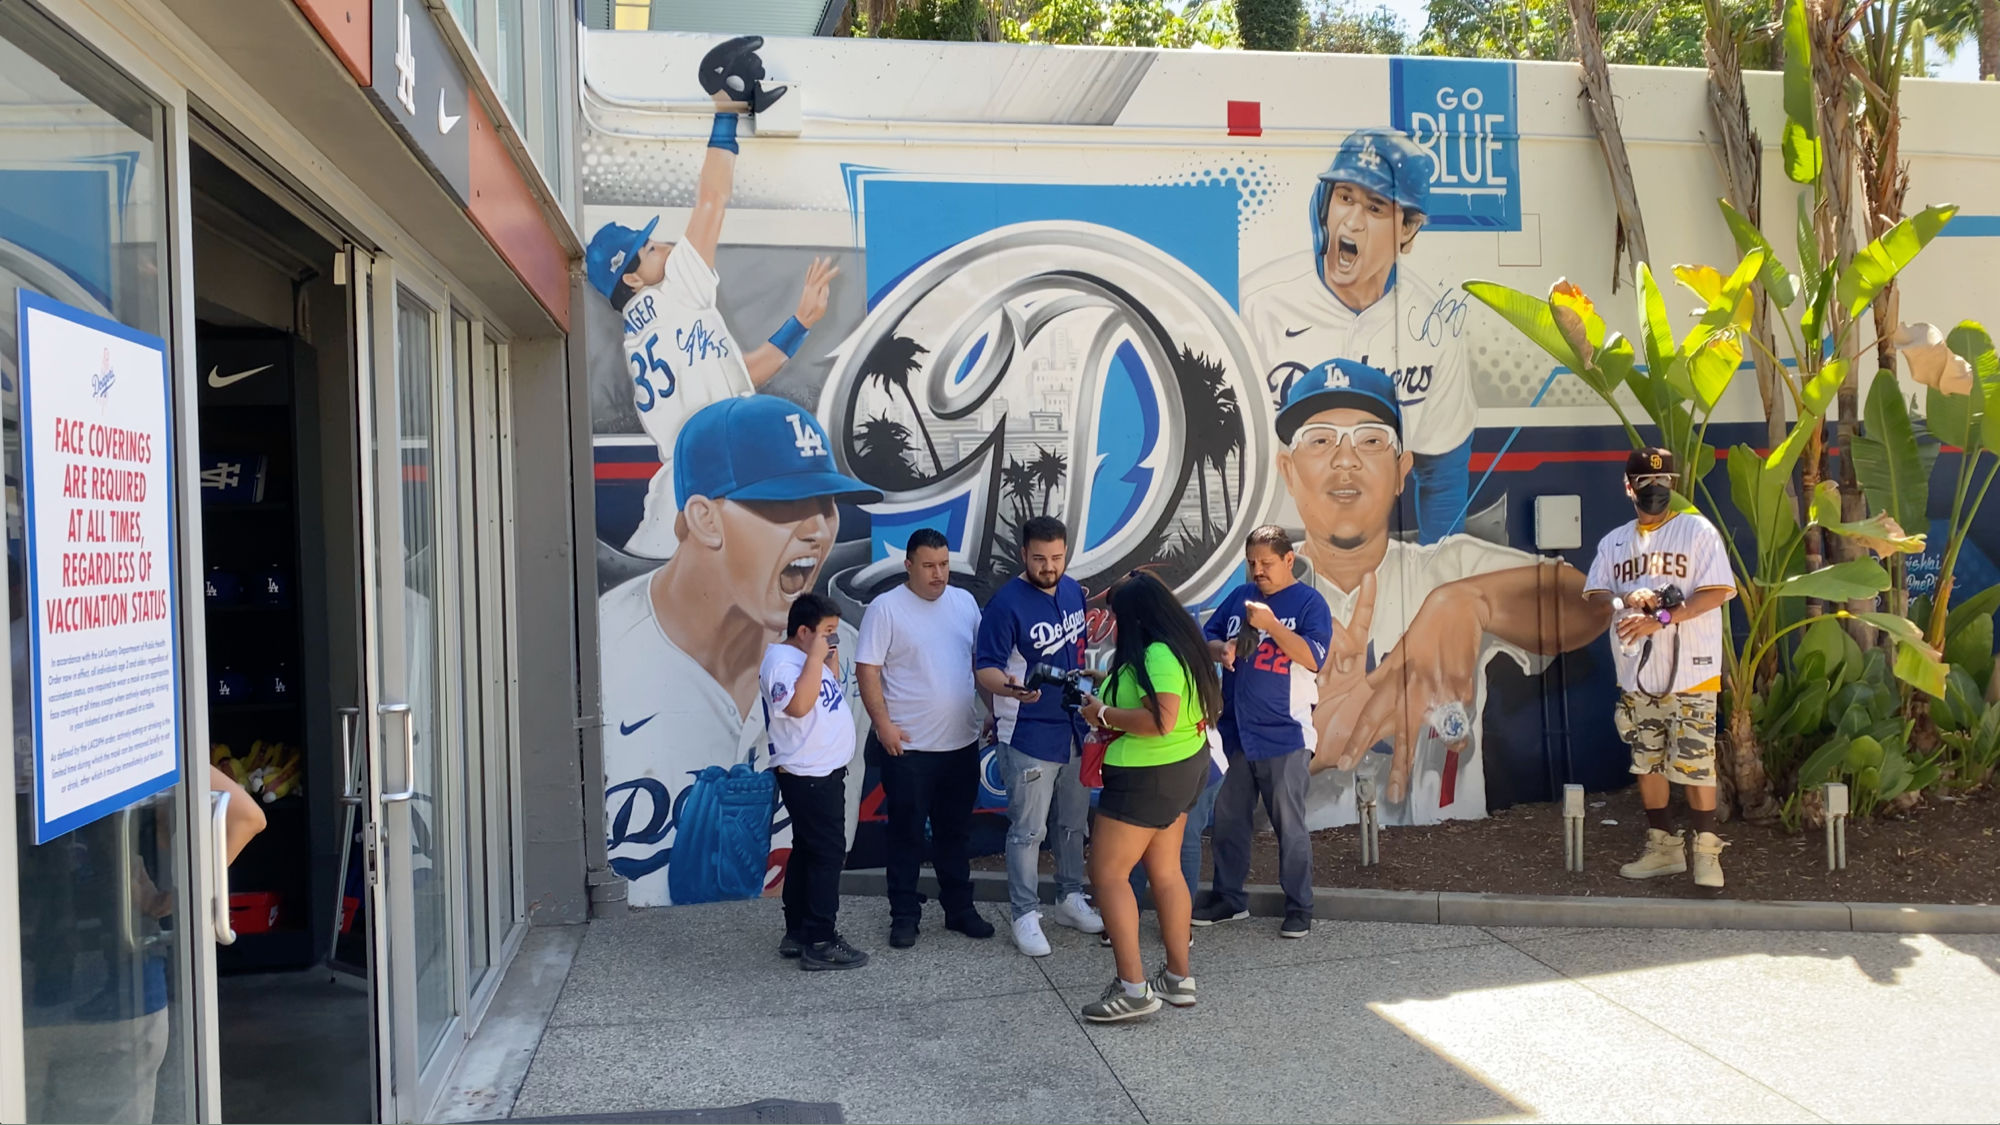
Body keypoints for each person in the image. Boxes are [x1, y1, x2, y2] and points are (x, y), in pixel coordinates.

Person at [1275, 359, 1609, 826]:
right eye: (1320, 440)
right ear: (1288, 471)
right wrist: (1298, 747)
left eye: (1371, 440)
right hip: (1301, 865)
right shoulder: (1252, 592)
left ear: (1400, 471)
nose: (1345, 459)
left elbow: (1593, 604)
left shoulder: (1449, 568)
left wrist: (1469, 604)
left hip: (1449, 864)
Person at [599, 395, 880, 907]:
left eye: (826, 504)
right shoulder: (600, 652)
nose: (817, 529)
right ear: (705, 519)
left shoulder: (840, 651)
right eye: (787, 504)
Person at [583, 34, 839, 561]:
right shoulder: (675, 289)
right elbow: (712, 199)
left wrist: (799, 323)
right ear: (632, 279)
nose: (664, 247)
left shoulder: (643, 330)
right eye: (649, 249)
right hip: (697, 501)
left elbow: (735, 375)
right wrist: (725, 108)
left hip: (674, 509)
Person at [1241, 127, 1475, 545]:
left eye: (1375, 207)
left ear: (1407, 229)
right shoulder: (1260, 305)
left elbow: (1442, 474)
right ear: (1324, 205)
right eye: (1344, 197)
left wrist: (1441, 575)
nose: (1352, 221)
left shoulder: (1431, 323)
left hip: (1377, 552)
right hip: (1276, 543)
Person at [1583, 448, 1738, 888]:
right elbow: (1596, 593)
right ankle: (1663, 847)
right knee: (1646, 759)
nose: (1656, 489)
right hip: (1637, 672)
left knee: (1695, 760)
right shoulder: (1614, 542)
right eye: (1646, 482)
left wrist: (1664, 617)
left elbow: (1716, 592)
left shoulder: (1697, 531)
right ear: (1628, 486)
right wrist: (1625, 599)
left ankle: (1707, 853)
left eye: (1664, 481)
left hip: (1693, 668)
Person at [1073, 571, 1222, 1021]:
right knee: (1166, 871)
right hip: (1182, 770)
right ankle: (1177, 979)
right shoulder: (1179, 647)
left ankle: (1133, 991)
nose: (1114, 623)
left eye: (1118, 616)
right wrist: (1104, 680)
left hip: (1146, 778)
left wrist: (1099, 711)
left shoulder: (1156, 654)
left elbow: (1159, 718)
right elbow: (1159, 699)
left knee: (1109, 875)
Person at [855, 528, 996, 948]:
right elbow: (868, 670)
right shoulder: (886, 609)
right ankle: (904, 915)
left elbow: (978, 662)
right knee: (906, 834)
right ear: (909, 566)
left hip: (960, 743)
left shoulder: (964, 602)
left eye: (944, 565)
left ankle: (959, 910)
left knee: (955, 833)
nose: (938, 575)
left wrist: (989, 708)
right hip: (908, 747)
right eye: (929, 566)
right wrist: (883, 726)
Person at [974, 515, 1104, 956]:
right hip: (1027, 732)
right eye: (1039, 558)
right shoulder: (1005, 604)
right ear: (1023, 554)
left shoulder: (1071, 590)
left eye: (1057, 557)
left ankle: (1069, 897)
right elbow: (984, 668)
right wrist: (1011, 689)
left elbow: (1077, 649)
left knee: (1071, 823)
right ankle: (1025, 914)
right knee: (1027, 830)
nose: (1049, 566)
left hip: (1073, 725)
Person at [1196, 526, 1333, 937]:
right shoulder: (1239, 598)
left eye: (1266, 563)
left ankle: (1299, 907)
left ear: (1288, 561)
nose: (1258, 571)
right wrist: (1219, 649)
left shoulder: (1310, 603)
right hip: (1235, 730)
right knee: (1228, 819)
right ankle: (1229, 899)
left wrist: (1272, 625)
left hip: (1284, 733)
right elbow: (1206, 637)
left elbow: (1312, 658)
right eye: (1252, 563)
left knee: (1288, 825)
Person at [761, 592, 869, 970]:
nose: (832, 639)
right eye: (826, 632)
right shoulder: (781, 662)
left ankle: (798, 931)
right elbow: (797, 706)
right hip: (808, 776)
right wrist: (815, 659)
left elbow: (823, 700)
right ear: (803, 631)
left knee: (808, 851)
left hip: (824, 772)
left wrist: (827, 663)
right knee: (827, 854)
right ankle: (821, 939)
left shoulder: (808, 659)